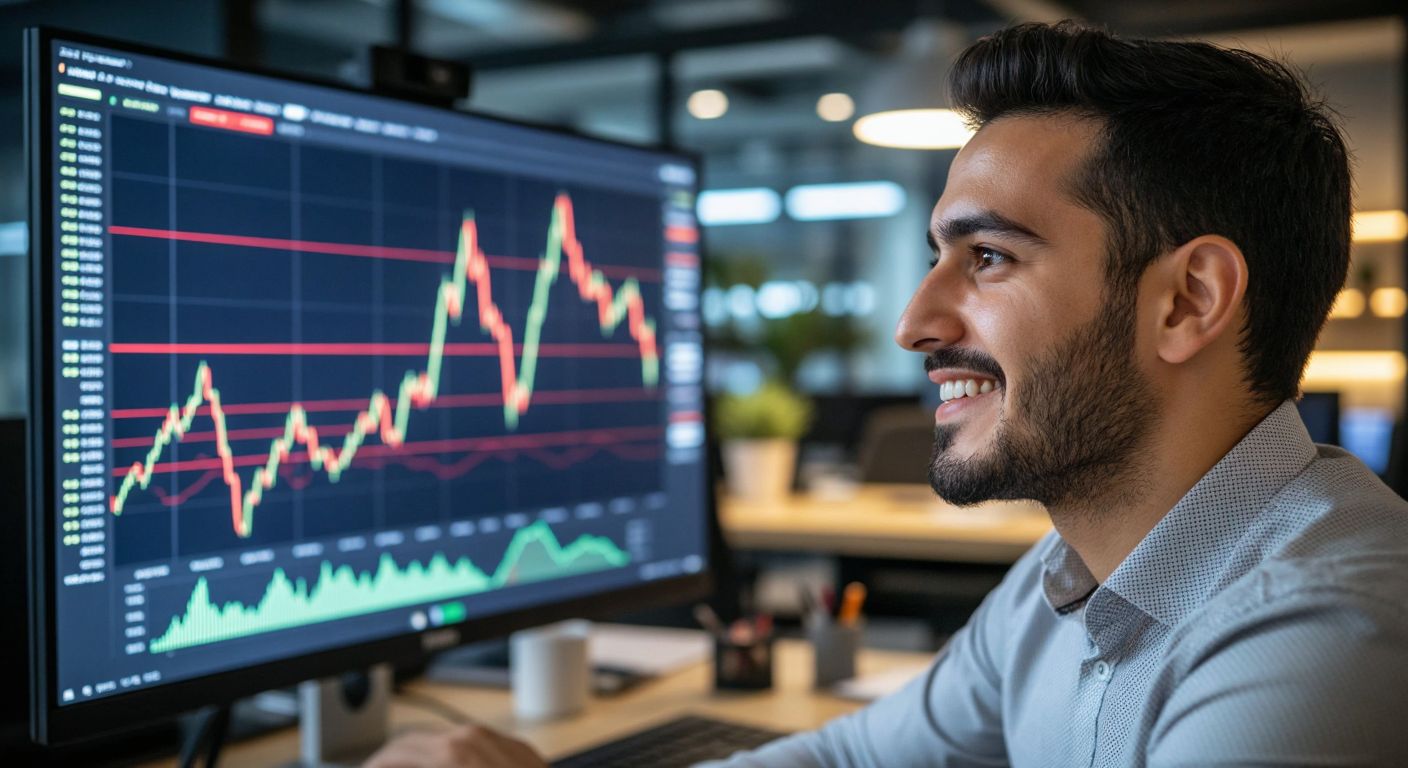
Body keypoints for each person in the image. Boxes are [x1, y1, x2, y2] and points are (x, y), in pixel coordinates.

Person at [365, 21, 1408, 768]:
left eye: (988, 256)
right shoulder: (1066, 580)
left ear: (1187, 301)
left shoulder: (1321, 633)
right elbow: (851, 756)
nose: (913, 322)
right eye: (933, 258)